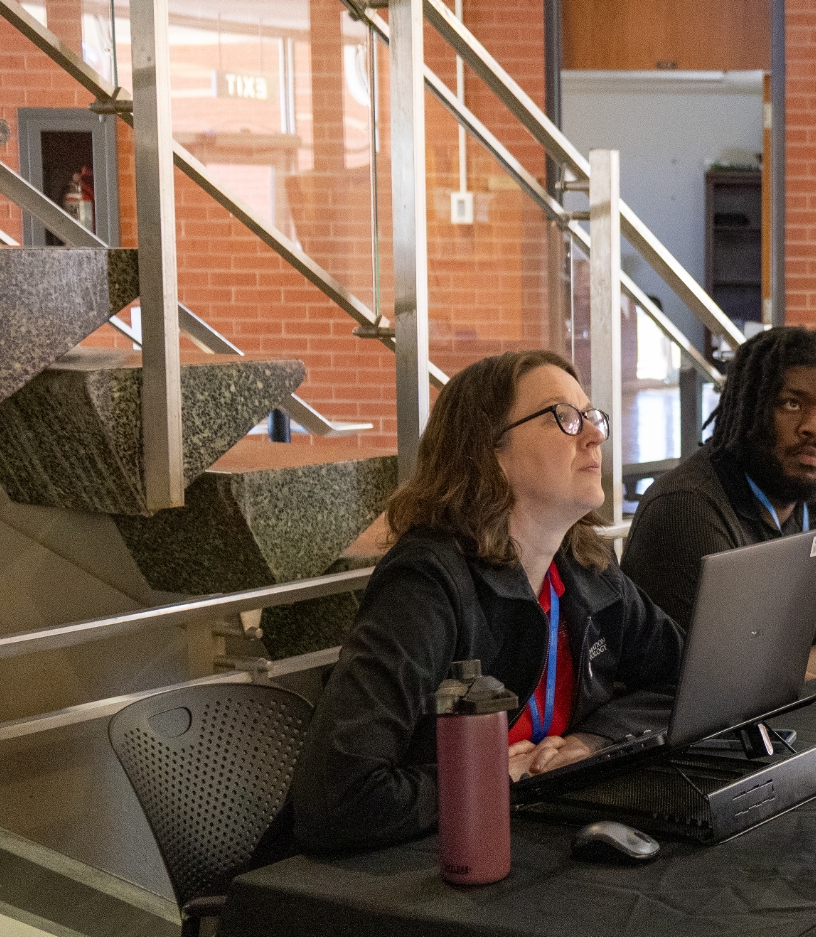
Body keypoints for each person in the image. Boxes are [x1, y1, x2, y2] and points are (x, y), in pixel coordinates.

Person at [288, 350, 685, 853]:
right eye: (563, 418)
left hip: (529, 840)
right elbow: (337, 799)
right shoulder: (426, 584)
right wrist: (488, 776)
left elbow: (685, 677)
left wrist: (594, 742)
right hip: (402, 876)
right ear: (490, 453)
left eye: (591, 416)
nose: (595, 434)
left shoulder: (585, 566)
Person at [622, 327, 816, 680]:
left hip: (799, 721)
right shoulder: (688, 508)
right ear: (751, 407)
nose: (815, 428)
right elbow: (728, 687)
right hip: (684, 730)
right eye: (792, 404)